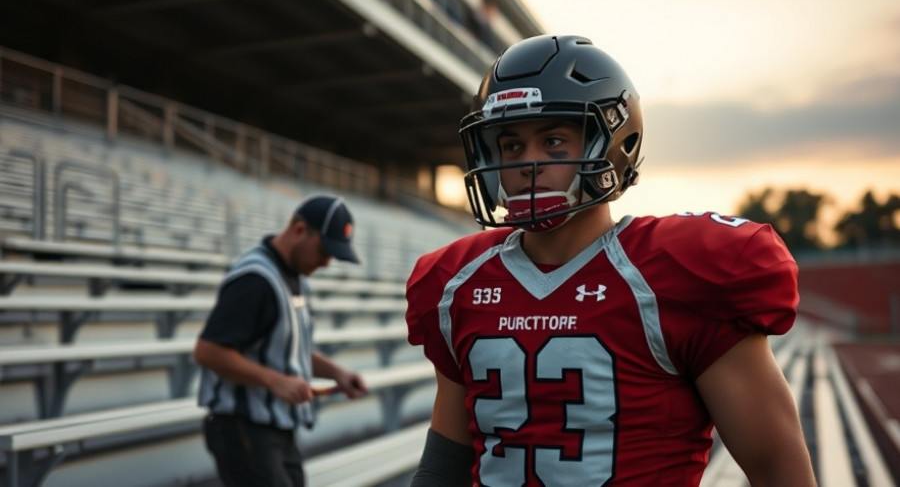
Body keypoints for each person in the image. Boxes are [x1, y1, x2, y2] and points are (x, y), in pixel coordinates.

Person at [405, 35, 817, 486]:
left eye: (554, 140)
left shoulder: (675, 276)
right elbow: (444, 465)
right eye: (511, 146)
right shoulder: (456, 284)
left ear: (614, 144)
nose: (528, 164)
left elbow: (777, 468)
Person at [195, 193, 369, 487]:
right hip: (243, 427)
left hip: (276, 428)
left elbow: (289, 349)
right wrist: (274, 380)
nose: (326, 263)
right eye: (323, 250)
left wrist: (337, 372)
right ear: (299, 229)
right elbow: (208, 351)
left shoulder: (296, 279)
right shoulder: (255, 280)